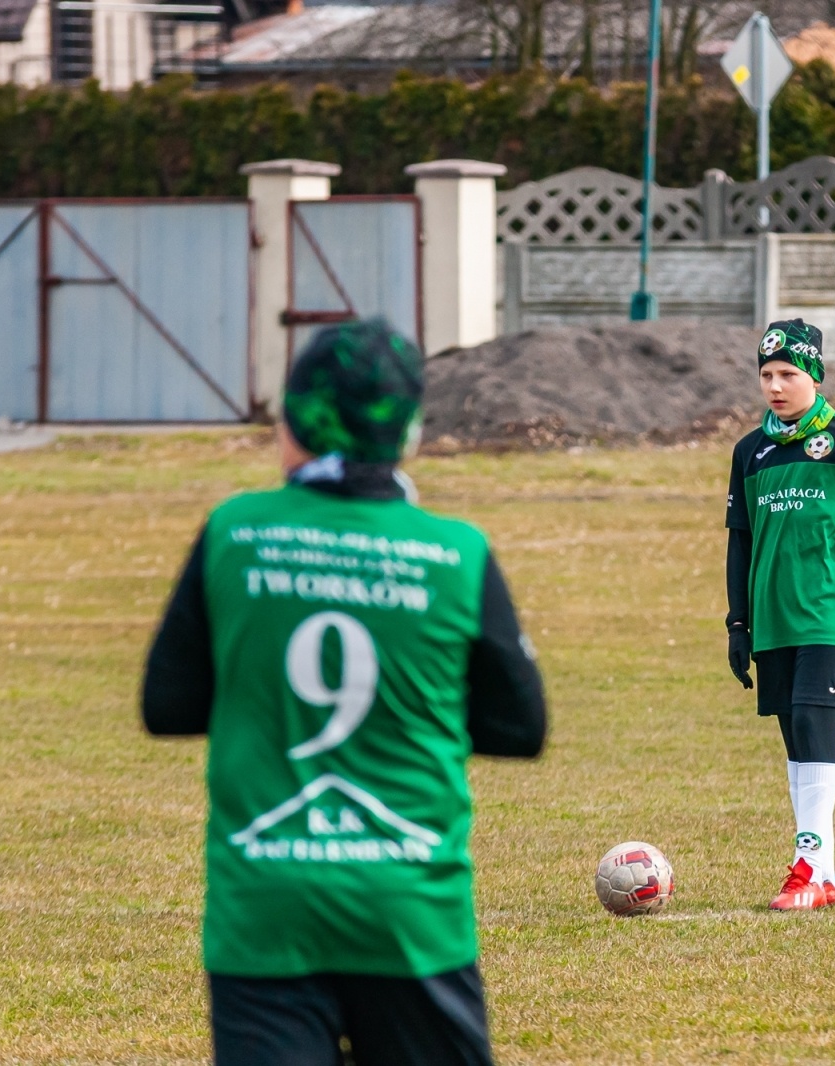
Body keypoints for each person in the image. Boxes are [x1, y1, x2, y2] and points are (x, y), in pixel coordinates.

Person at [141, 319, 547, 1066]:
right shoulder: (454, 552)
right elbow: (520, 727)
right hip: (410, 914)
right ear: (411, 432)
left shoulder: (234, 531)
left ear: (292, 421)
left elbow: (166, 706)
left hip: (264, 913)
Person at [724, 318, 835, 911]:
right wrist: (738, 624)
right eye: (766, 375)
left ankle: (809, 866)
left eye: (788, 374)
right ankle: (821, 871)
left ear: (816, 377)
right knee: (796, 739)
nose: (775, 386)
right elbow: (740, 542)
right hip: (773, 619)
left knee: (814, 723)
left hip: (829, 613)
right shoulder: (750, 451)